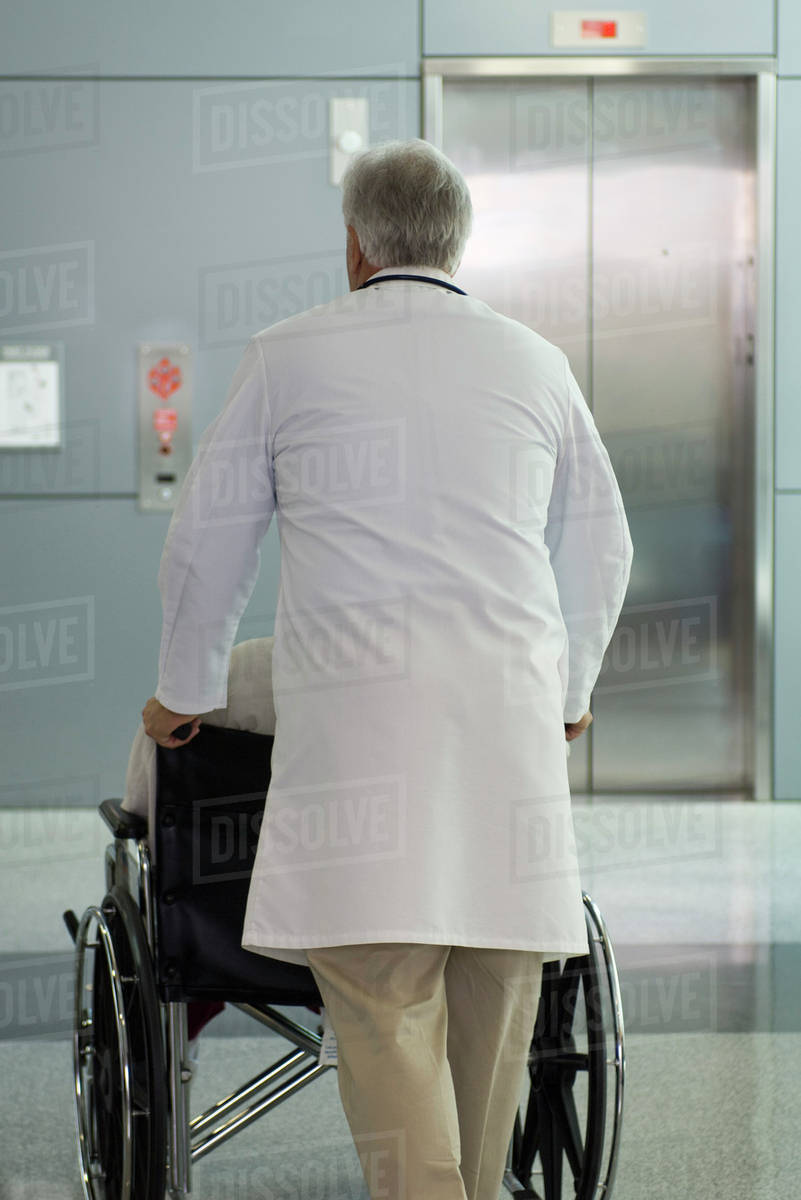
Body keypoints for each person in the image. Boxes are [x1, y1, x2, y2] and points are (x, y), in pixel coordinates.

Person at [141, 138, 633, 1200]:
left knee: (377, 998)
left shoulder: (290, 352)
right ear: (457, 243)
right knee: (496, 1003)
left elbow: (206, 539)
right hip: (508, 743)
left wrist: (184, 692)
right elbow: (605, 544)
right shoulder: (535, 361)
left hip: (361, 756)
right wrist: (573, 692)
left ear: (355, 246)